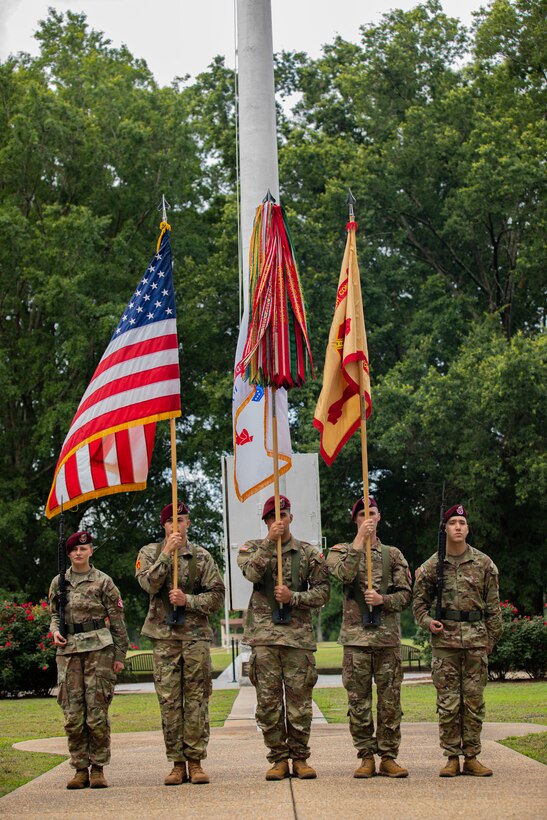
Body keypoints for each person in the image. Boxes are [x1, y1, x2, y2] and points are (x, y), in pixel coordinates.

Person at [237, 495, 329, 781]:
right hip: (264, 638)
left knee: (300, 702)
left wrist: (294, 597)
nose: (279, 520)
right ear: (265, 521)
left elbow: (323, 593)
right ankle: (277, 757)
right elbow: (252, 573)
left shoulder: (309, 553)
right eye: (273, 517)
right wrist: (268, 543)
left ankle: (300, 757)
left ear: (291, 518)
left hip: (297, 639)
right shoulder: (252, 548)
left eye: (284, 515)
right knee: (268, 703)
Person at [136, 500, 225, 786]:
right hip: (164, 639)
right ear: (164, 525)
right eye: (171, 521)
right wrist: (166, 554)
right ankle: (177, 763)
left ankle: (196, 762)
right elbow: (148, 585)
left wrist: (188, 600)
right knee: (170, 702)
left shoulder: (201, 556)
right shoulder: (149, 553)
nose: (177, 525)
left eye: (182, 519)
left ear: (188, 523)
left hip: (195, 637)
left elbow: (217, 597)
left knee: (197, 700)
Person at [413, 503, 502, 777]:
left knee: (473, 703)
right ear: (445, 529)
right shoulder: (431, 567)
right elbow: (418, 606)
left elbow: (493, 608)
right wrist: (429, 622)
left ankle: (472, 756)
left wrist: (490, 639)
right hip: (445, 644)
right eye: (453, 523)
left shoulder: (484, 564)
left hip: (476, 642)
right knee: (449, 704)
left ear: (468, 528)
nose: (458, 527)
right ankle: (451, 757)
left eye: (462, 523)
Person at [326, 496, 412, 779]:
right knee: (358, 702)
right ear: (356, 520)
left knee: (390, 702)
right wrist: (357, 542)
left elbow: (406, 595)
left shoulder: (393, 555)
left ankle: (388, 756)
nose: (368, 518)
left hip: (386, 641)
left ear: (380, 516)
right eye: (362, 514)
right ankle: (365, 756)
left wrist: (382, 599)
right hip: (356, 640)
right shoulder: (339, 551)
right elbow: (342, 575)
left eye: (372, 513)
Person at [49, 530, 128, 790]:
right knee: (73, 715)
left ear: (91, 551)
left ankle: (98, 769)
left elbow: (117, 622)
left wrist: (119, 655)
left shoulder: (104, 582)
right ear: (69, 553)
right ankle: (79, 768)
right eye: (74, 550)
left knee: (96, 713)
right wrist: (55, 630)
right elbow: (54, 616)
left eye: (84, 549)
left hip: (99, 651)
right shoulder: (58, 583)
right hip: (69, 652)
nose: (79, 553)